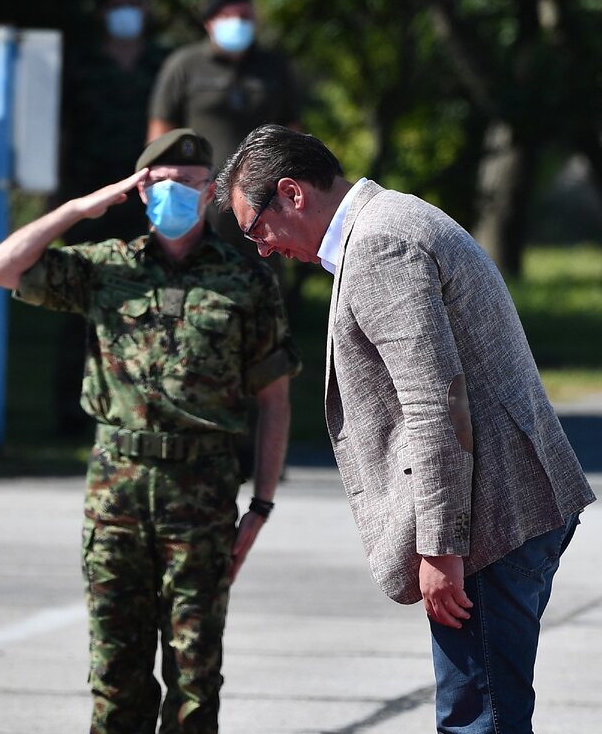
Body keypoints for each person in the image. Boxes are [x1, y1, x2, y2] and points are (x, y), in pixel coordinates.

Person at [213, 124, 596, 733]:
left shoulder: (379, 243)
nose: (262, 248)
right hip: (508, 510)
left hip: (487, 526)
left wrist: (443, 547)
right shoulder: (392, 220)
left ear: (292, 193)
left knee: (478, 721)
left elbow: (434, 401)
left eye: (256, 229)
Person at [0, 129, 300, 733]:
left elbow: (275, 398)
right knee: (116, 677)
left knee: (195, 682)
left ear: (211, 193)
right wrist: (80, 209)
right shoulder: (107, 269)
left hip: (201, 496)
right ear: (140, 189)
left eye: (188, 185)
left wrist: (261, 504)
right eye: (159, 185)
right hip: (116, 497)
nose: (174, 196)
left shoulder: (245, 280)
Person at [50, 0, 171, 436]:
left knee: (152, 302)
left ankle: (143, 407)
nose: (129, 13)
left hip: (148, 201)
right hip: (88, 197)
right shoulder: (80, 65)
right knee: (82, 299)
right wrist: (60, 199)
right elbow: (61, 134)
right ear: (103, 12)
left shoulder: (163, 64)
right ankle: (70, 414)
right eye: (119, 4)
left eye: (135, 4)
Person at [147, 0, 302, 263]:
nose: (237, 23)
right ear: (209, 22)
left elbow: (293, 131)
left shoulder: (274, 67)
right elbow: (160, 136)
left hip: (263, 199)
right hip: (199, 200)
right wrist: (161, 195)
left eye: (244, 17)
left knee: (260, 279)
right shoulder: (184, 65)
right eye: (227, 17)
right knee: (194, 276)